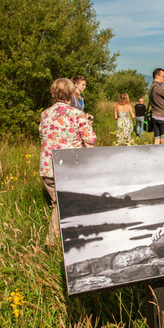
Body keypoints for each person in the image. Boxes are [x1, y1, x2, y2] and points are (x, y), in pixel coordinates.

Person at [40, 78, 97, 247]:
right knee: (64, 206)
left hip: (47, 168)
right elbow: (90, 139)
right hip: (69, 168)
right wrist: (89, 124)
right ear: (72, 94)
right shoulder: (76, 114)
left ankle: (63, 242)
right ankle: (53, 243)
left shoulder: (45, 114)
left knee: (60, 204)